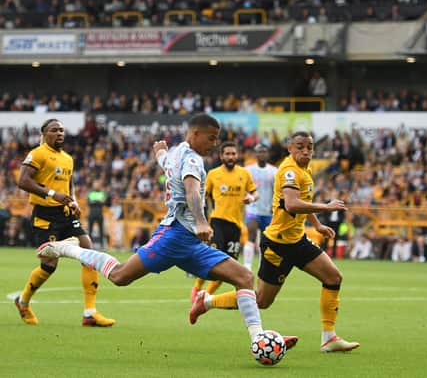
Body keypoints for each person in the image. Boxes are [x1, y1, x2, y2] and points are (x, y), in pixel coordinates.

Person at [37, 114, 295, 351]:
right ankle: (66, 248)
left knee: (243, 277)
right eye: (211, 138)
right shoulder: (193, 158)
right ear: (194, 134)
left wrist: (159, 153)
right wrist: (202, 221)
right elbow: (192, 191)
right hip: (173, 237)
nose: (214, 144)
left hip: (190, 243)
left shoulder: (175, 153)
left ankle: (258, 338)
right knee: (119, 276)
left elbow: (166, 164)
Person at [190, 131, 360, 353]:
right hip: (278, 245)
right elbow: (291, 204)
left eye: (309, 147)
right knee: (261, 300)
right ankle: (207, 301)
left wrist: (316, 224)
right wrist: (326, 207)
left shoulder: (305, 169)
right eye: (300, 146)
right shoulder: (289, 171)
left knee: (333, 277)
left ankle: (329, 338)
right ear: (290, 148)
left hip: (297, 240)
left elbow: (302, 201)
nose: (306, 151)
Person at [14, 118, 115, 327]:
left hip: (66, 213)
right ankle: (23, 301)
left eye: (61, 130)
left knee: (88, 249)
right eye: (54, 130)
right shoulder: (37, 153)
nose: (60, 133)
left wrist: (74, 201)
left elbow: (69, 186)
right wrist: (52, 193)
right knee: (49, 265)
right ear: (44, 134)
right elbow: (23, 181)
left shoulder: (68, 158)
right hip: (45, 215)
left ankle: (90, 313)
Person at [190, 141, 258, 302]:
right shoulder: (213, 174)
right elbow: (202, 197)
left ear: (237, 155)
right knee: (213, 260)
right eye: (227, 154)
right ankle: (197, 288)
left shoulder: (245, 174)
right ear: (221, 156)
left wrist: (251, 197)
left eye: (233, 154)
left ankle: (206, 295)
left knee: (228, 266)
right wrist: (202, 220)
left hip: (236, 226)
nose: (230, 156)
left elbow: (255, 193)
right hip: (218, 222)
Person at [243, 144, 277, 270]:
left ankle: (263, 266)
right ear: (255, 154)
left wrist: (274, 206)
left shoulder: (274, 171)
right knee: (251, 233)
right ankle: (247, 266)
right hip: (253, 209)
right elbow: (244, 188)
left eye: (264, 151)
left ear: (267, 154)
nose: (261, 154)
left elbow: (276, 191)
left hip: (268, 211)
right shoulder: (248, 170)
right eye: (259, 152)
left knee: (265, 240)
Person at [87, 179, 110, 248]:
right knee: (90, 230)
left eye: (97, 184)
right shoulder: (90, 193)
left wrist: (95, 202)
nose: (96, 185)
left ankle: (102, 245)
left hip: (99, 213)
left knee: (101, 230)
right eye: (95, 184)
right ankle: (89, 245)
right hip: (92, 213)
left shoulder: (102, 193)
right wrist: (99, 202)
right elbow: (89, 203)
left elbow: (104, 202)